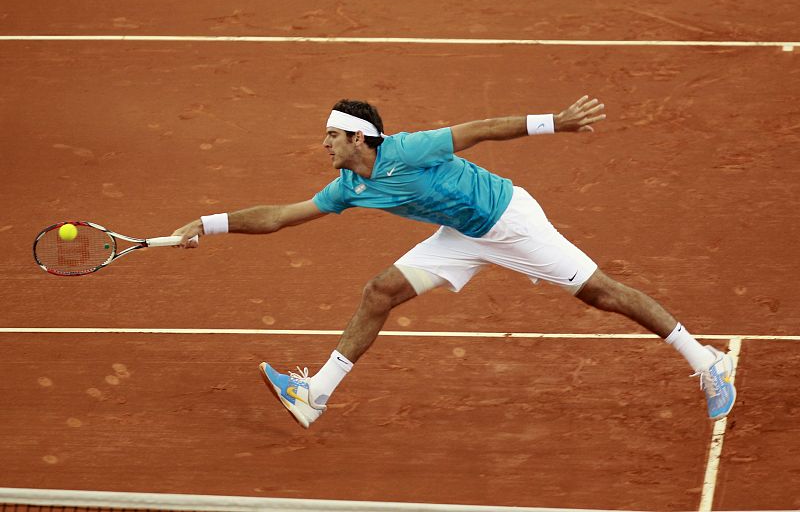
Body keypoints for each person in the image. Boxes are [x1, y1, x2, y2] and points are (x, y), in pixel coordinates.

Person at [171, 96, 736, 428]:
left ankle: (705, 359)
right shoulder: (348, 187)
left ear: (360, 138)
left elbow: (480, 131)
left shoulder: (409, 148)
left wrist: (554, 122)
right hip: (462, 235)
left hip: (509, 221)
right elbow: (280, 216)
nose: (325, 145)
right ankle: (315, 394)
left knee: (600, 294)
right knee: (380, 292)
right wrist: (208, 223)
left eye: (332, 136)